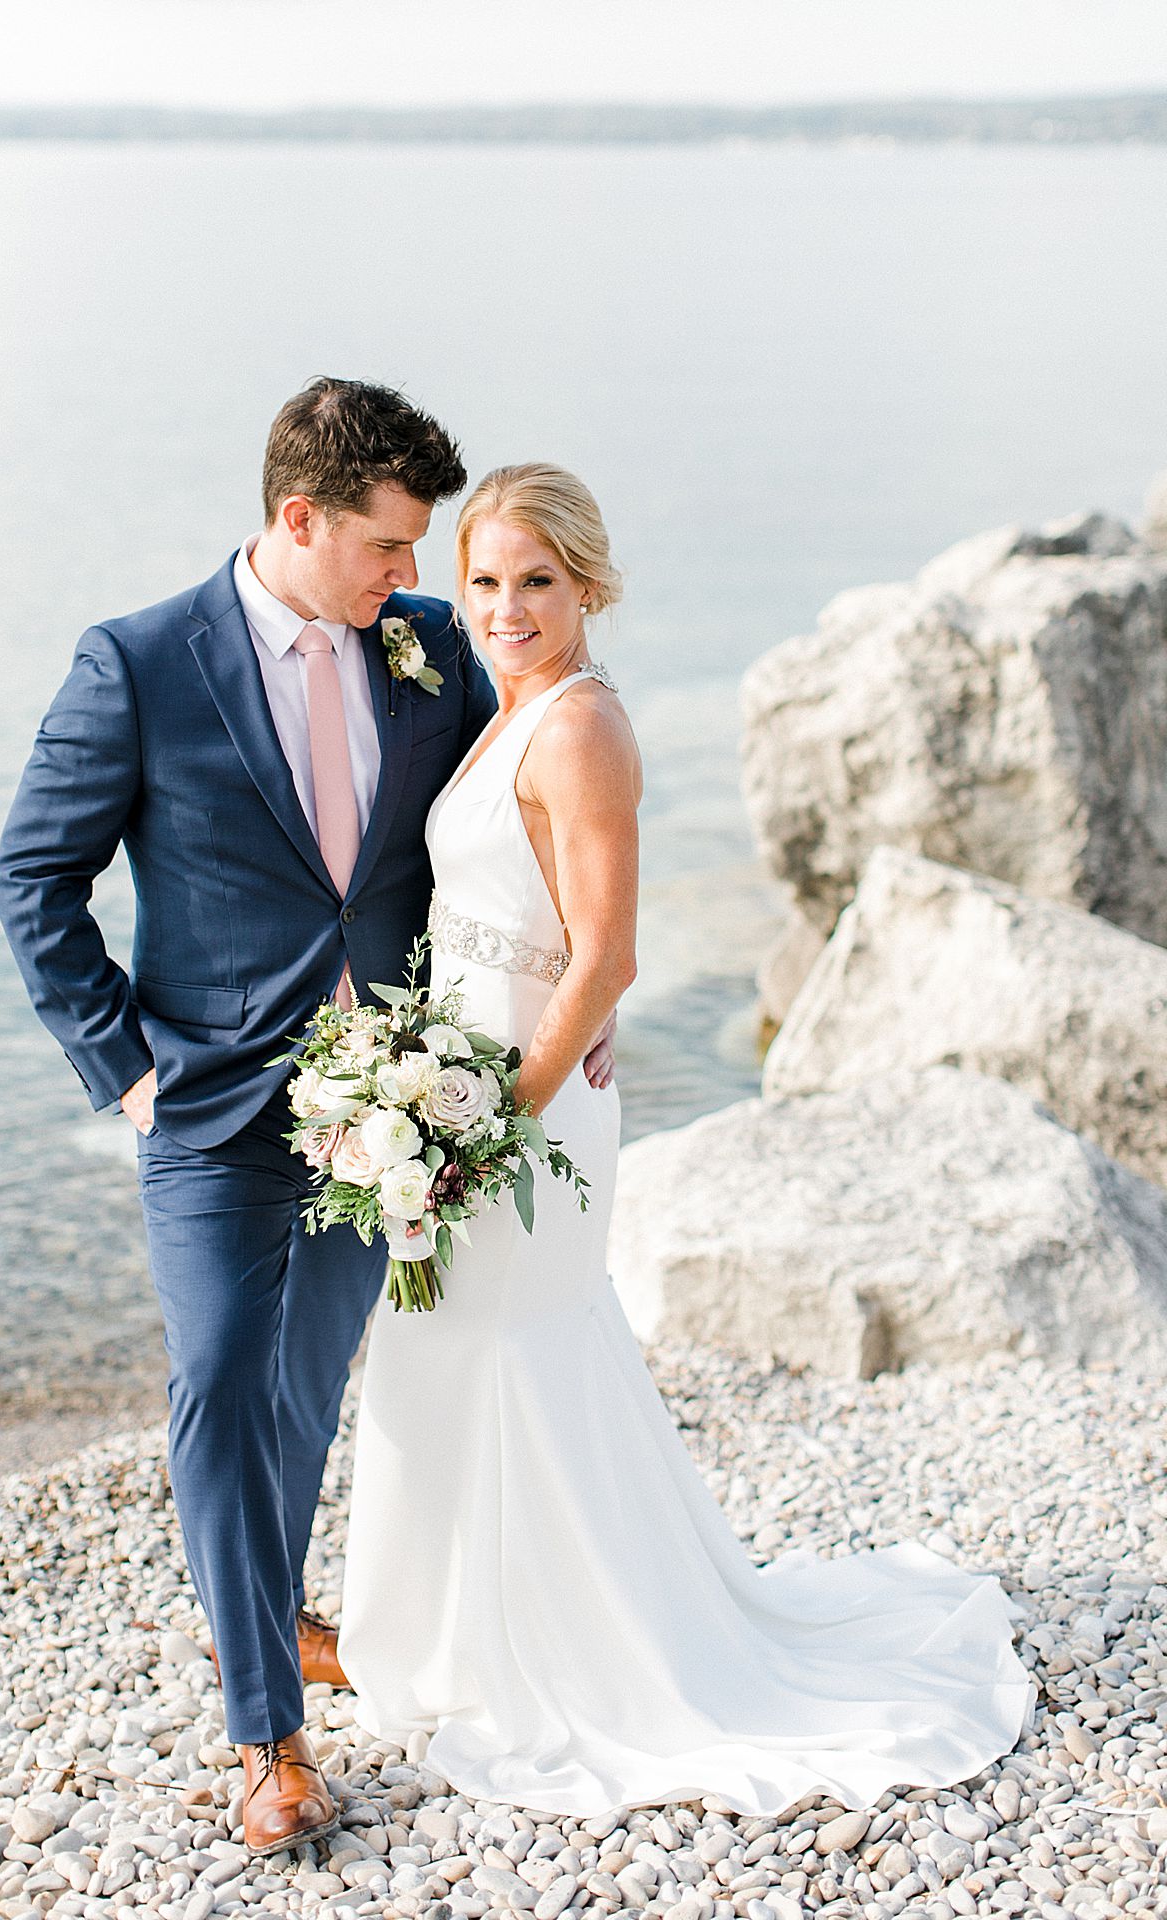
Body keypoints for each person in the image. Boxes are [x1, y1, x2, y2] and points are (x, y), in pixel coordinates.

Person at [338, 462, 1033, 1819]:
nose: (506, 606)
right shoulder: (507, 707)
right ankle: (467, 1638)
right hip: (466, 1084)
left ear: (589, 583)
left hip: (525, 1107)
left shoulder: (581, 727)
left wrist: (489, 1123)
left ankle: (583, 1654)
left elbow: (604, 962)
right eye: (483, 579)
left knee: (502, 1347)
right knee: (453, 1349)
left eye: (537, 579)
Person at [0, 381, 617, 1854]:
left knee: (305, 1392)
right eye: (392, 545)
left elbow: (529, 797)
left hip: (392, 1110)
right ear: (300, 519)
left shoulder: (429, 650)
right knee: (219, 1380)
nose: (418, 577)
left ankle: (259, 1619)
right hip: (204, 1108)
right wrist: (127, 1071)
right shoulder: (139, 664)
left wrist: (581, 999)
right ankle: (267, 1738)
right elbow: (35, 879)